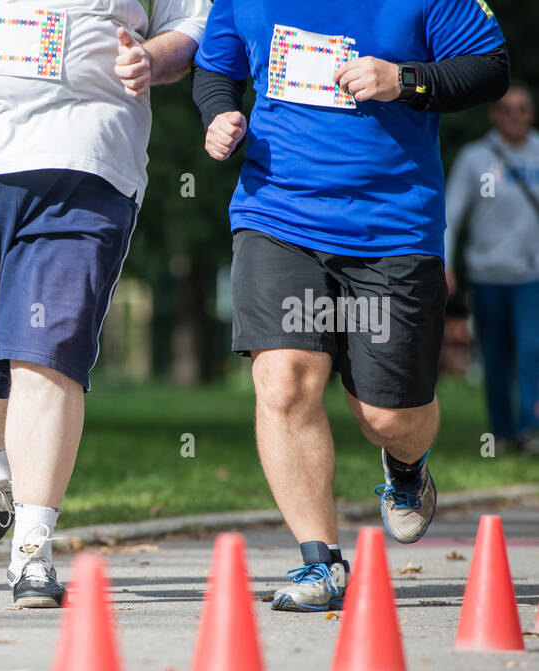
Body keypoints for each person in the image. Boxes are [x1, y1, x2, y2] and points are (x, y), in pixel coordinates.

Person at [0, 0, 210, 607]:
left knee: (46, 352)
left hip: (86, 163)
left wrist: (153, 59)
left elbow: (192, 19)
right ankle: (4, 464)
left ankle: (32, 548)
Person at [195, 0, 510, 612]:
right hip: (278, 213)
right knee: (283, 381)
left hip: (391, 226)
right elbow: (216, 68)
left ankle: (406, 466)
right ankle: (322, 564)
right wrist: (219, 114)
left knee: (388, 418)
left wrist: (407, 79)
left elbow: (490, 67)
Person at [446, 82, 539, 456]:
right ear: (494, 115)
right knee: (495, 356)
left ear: (530, 114)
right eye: (506, 109)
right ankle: (500, 434)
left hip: (531, 275)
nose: (514, 116)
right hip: (486, 274)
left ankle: (530, 429)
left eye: (521, 109)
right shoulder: (476, 158)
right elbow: (451, 215)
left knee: (532, 350)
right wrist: (446, 263)